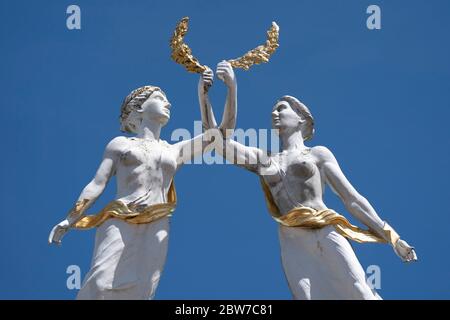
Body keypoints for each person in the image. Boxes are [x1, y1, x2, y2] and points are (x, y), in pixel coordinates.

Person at [201, 61, 417, 299]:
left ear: (301, 119)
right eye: (273, 110)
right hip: (292, 237)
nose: (274, 113)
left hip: (326, 229)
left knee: (359, 291)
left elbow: (351, 198)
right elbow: (219, 143)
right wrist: (221, 92)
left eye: (281, 108)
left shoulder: (318, 154)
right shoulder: (265, 160)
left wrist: (391, 235)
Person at [48, 69, 215, 299]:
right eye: (159, 97)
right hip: (119, 218)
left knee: (143, 289)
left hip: (157, 222)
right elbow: (97, 183)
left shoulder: (173, 150)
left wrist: (203, 94)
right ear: (139, 107)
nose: (168, 103)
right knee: (101, 282)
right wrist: (71, 217)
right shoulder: (120, 144)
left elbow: (217, 136)